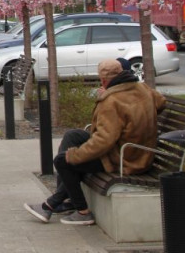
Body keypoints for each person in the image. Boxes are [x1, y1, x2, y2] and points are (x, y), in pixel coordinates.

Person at [24, 58, 165, 226]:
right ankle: (65, 200)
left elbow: (103, 141)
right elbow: (161, 103)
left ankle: (82, 212)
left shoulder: (111, 101)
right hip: (136, 150)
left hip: (123, 158)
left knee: (63, 161)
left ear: (103, 80)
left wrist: (76, 156)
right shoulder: (142, 88)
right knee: (73, 136)